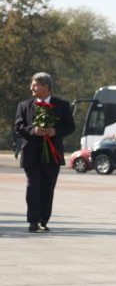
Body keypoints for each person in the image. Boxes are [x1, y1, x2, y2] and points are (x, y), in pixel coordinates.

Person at [14, 72, 75, 233]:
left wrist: (55, 131)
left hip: (52, 155)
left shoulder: (62, 105)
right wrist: (33, 130)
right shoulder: (24, 105)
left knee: (48, 188)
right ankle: (33, 221)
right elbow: (18, 127)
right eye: (32, 84)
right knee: (33, 187)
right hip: (31, 155)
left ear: (46, 86)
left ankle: (43, 220)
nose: (31, 87)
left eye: (35, 84)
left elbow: (70, 127)